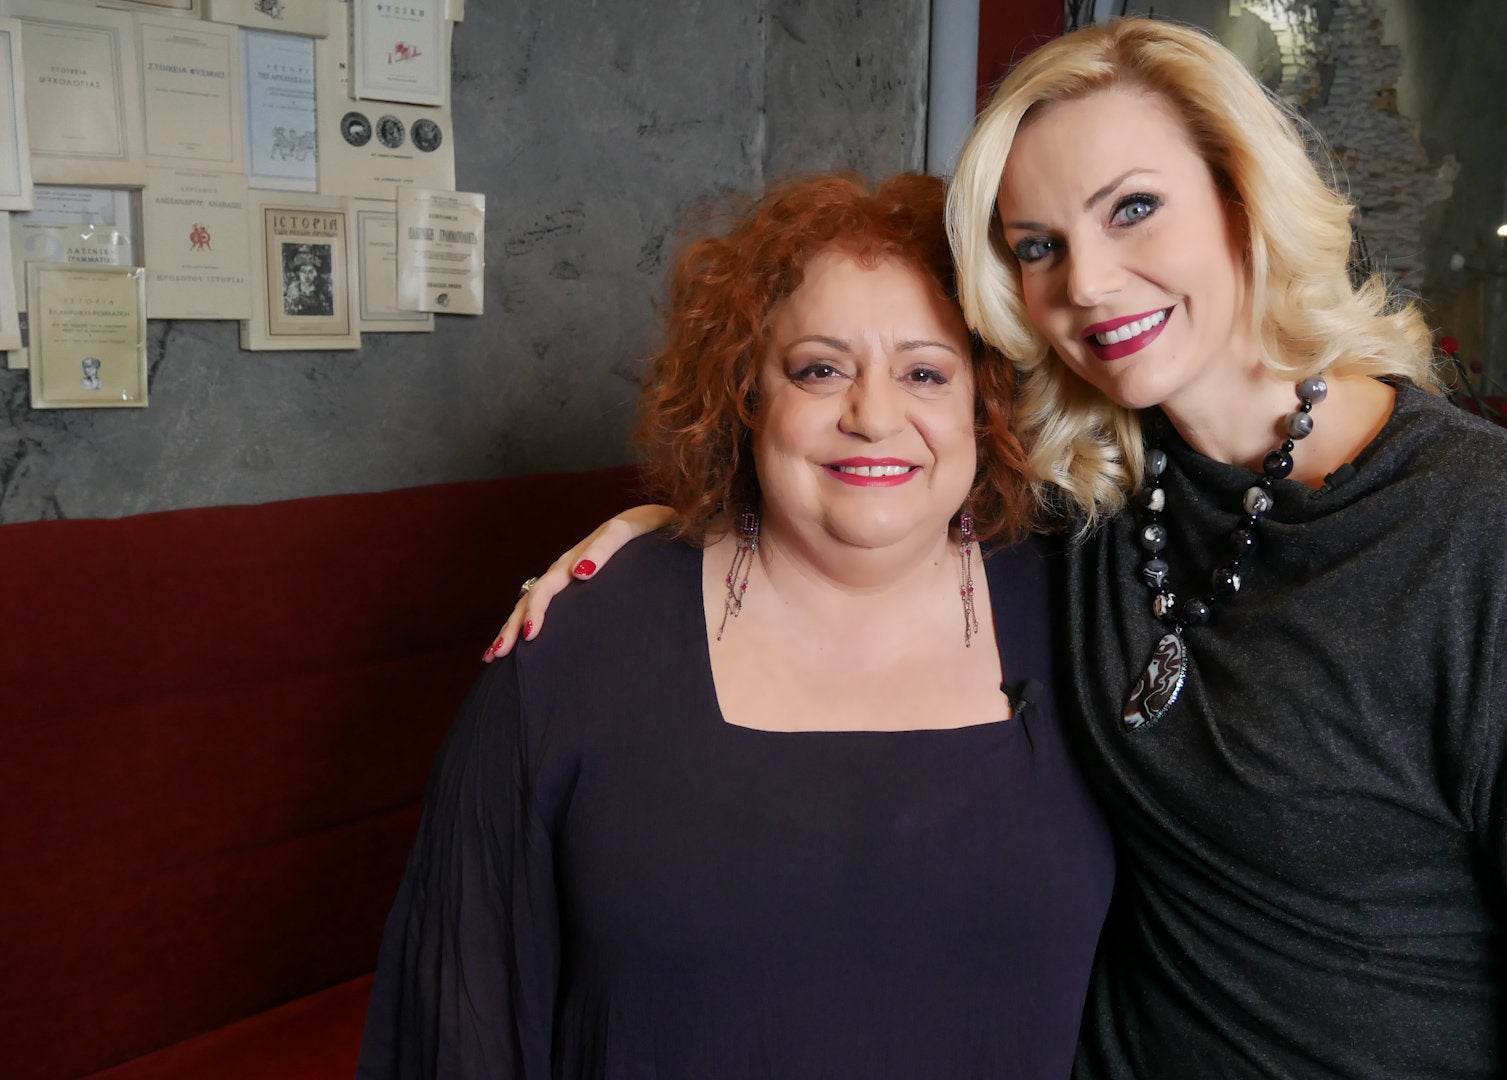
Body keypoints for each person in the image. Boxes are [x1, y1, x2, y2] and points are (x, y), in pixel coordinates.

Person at [497, 19, 1507, 1079]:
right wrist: (674, 535)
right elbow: (868, 491)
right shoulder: (1091, 496)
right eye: (1037, 246)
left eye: (1133, 209)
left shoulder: (1484, 527)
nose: (1090, 283)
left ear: (1241, 197)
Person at [360, 174, 1113, 1079]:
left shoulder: (1090, 614)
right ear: (747, 393)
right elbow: (456, 1030)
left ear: (987, 405)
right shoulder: (579, 646)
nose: (874, 416)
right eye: (820, 369)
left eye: (925, 372)